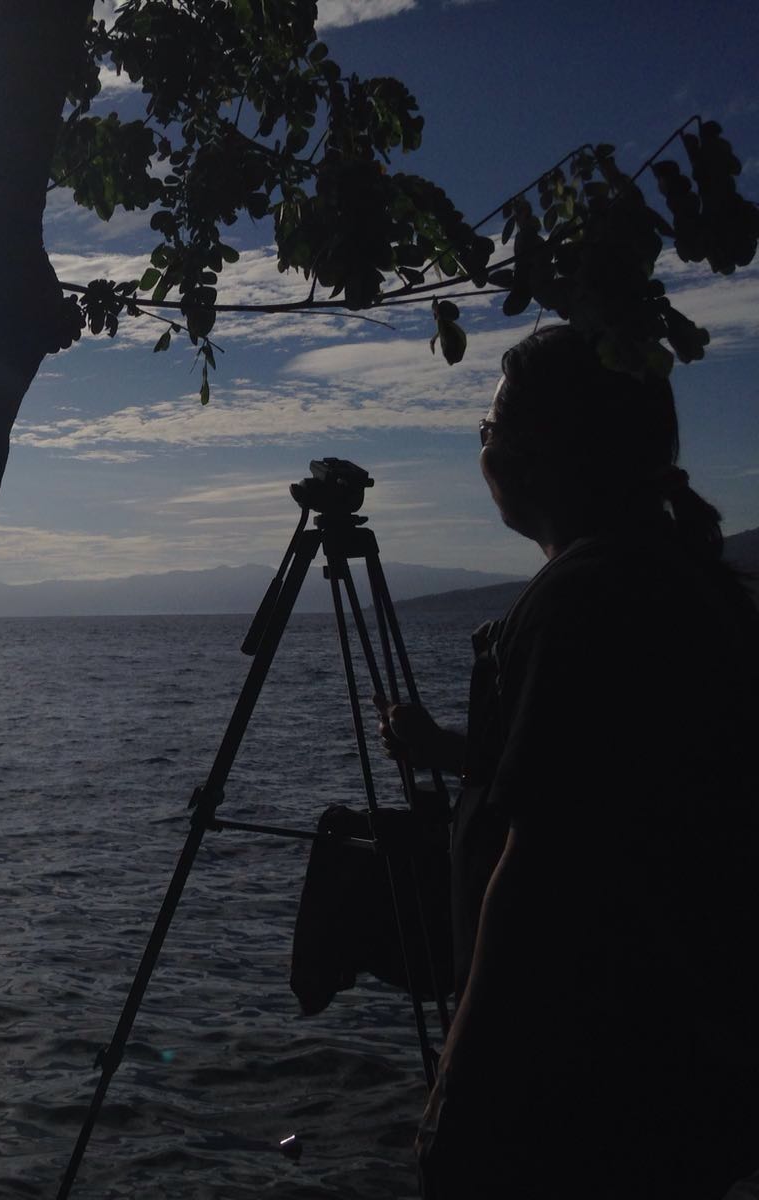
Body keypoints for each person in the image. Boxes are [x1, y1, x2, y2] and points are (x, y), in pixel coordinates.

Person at [374, 325, 759, 1199]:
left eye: (489, 428)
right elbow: (600, 781)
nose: (484, 448)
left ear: (538, 455)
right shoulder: (668, 578)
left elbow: (544, 865)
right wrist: (448, 752)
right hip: (673, 1067)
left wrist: (459, 1084)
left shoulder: (584, 598)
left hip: (581, 1085)